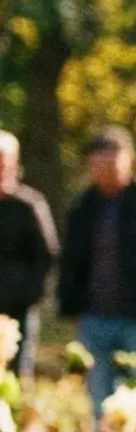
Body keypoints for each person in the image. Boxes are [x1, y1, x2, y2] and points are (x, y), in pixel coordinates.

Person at [60, 128, 136, 411]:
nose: (106, 171)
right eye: (99, 165)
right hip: (95, 317)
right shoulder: (83, 207)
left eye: (113, 163)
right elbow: (71, 261)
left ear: (130, 160)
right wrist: (73, 305)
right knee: (100, 399)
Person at [0, 133, 58, 382]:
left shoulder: (29, 205)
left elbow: (47, 255)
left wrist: (29, 293)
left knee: (16, 377)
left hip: (18, 308)